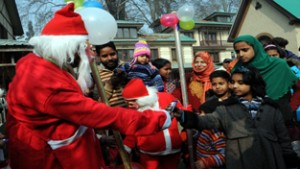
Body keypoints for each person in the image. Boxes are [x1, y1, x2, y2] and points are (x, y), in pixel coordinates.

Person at [5, 3, 171, 169]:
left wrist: (99, 139)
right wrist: (156, 119)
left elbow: (58, 121)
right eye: (83, 47)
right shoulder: (43, 81)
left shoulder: (42, 67)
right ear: (69, 48)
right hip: (55, 160)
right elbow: (96, 113)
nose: (87, 53)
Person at [178, 66, 300, 169]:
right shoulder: (226, 108)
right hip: (239, 158)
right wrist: (184, 116)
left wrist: (289, 156)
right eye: (233, 82)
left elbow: (283, 136)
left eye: (240, 83)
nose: (234, 86)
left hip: (270, 157)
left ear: (252, 83)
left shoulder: (271, 107)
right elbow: (207, 121)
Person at [232, 34, 298, 126]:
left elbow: (297, 86)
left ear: (255, 48)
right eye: (237, 51)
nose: (241, 54)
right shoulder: (237, 69)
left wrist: (293, 106)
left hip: (281, 116)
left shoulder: (279, 65)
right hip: (250, 119)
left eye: (245, 50)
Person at [121, 78, 183, 169]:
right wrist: (127, 146)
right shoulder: (134, 110)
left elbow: (182, 112)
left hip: (173, 149)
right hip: (148, 152)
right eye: (127, 103)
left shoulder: (166, 97)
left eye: (132, 102)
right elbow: (133, 130)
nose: (129, 106)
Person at [194, 70, 231, 169]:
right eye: (214, 84)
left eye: (221, 83)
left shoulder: (234, 101)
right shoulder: (209, 102)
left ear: (229, 83)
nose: (217, 87)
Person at [94, 41, 127, 107]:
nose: (110, 58)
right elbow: (98, 102)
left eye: (112, 54)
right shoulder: (96, 75)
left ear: (116, 53)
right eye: (105, 56)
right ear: (98, 57)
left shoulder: (127, 68)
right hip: (113, 115)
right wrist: (109, 84)